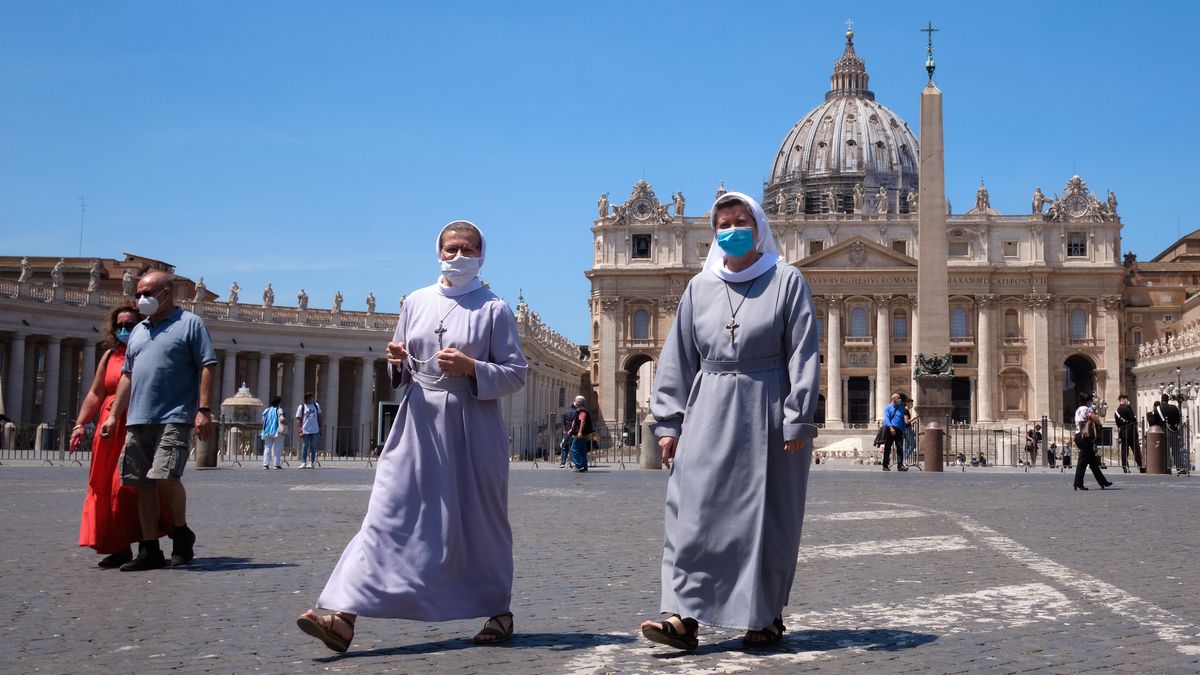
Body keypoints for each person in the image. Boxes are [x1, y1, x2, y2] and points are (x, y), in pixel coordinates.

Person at [297, 220, 528, 652]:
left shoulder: (494, 308)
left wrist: (473, 368)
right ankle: (344, 615)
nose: (457, 255)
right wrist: (395, 360)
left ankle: (499, 611)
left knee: (479, 519)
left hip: (472, 423)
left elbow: (515, 374)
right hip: (418, 420)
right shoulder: (416, 301)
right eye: (450, 248)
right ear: (438, 252)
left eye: (467, 248)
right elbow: (401, 365)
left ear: (481, 254)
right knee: (387, 511)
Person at [638, 192, 820, 650]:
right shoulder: (699, 287)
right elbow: (677, 358)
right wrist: (669, 423)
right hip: (708, 407)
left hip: (769, 408)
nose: (732, 230)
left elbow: (803, 351)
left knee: (766, 516)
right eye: (724, 224)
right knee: (692, 514)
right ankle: (683, 617)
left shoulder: (786, 279)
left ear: (758, 227)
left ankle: (765, 614)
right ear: (713, 232)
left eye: (741, 221)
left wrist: (798, 419)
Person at [99, 271, 217, 570]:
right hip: (138, 418)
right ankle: (149, 548)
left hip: (175, 415)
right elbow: (127, 375)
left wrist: (203, 409)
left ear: (167, 292)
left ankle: (180, 532)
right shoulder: (138, 330)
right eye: (138, 294)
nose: (141, 299)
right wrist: (114, 415)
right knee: (141, 484)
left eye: (146, 293)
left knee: (165, 476)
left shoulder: (190, 324)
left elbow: (207, 365)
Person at [70, 306, 171, 568]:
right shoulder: (108, 356)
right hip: (108, 426)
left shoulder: (149, 351)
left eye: (129, 325)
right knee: (102, 486)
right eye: (119, 326)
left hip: (136, 420)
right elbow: (95, 393)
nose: (124, 330)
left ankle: (147, 544)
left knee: (126, 486)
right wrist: (80, 425)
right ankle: (118, 546)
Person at [1073, 392, 1113, 491]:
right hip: (1085, 437)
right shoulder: (1087, 409)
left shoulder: (1078, 410)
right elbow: (1095, 419)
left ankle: (1103, 482)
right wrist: (1098, 421)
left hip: (1078, 435)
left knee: (1093, 462)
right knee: (1082, 462)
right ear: (1088, 401)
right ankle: (1078, 483)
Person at [1113, 393, 1144, 473]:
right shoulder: (1128, 408)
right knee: (1136, 450)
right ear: (1123, 399)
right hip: (1131, 432)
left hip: (1123, 432)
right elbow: (1133, 420)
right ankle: (1141, 466)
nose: (1127, 401)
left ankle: (1125, 467)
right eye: (1126, 399)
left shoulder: (1116, 411)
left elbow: (1118, 424)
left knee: (1124, 451)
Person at [1159, 394, 1187, 476]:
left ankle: (1167, 468)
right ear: (1168, 400)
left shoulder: (1158, 409)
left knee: (1165, 452)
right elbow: (1178, 419)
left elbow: (1156, 421)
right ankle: (1180, 468)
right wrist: (1174, 426)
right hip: (1173, 432)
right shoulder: (1174, 407)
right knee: (1176, 451)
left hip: (1163, 433)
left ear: (1161, 400)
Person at [881, 393, 908, 471]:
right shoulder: (888, 408)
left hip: (899, 430)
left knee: (900, 447)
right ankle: (885, 465)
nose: (900, 400)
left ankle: (900, 465)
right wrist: (890, 427)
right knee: (888, 448)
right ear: (894, 399)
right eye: (898, 398)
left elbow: (902, 420)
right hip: (890, 429)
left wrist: (904, 430)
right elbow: (886, 418)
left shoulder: (901, 408)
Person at [567, 396, 593, 472]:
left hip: (579, 434)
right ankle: (584, 466)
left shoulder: (582, 411)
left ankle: (579, 465)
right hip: (583, 434)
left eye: (575, 401)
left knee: (574, 449)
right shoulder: (581, 410)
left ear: (579, 402)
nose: (574, 402)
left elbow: (582, 421)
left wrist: (580, 432)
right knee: (582, 450)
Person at [296, 393, 321, 469]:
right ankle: (303, 462)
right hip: (305, 429)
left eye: (312, 398)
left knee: (313, 446)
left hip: (314, 429)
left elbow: (320, 417)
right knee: (305, 446)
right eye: (310, 398)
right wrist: (300, 430)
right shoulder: (302, 407)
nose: (312, 399)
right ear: (306, 399)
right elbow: (298, 419)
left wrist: (321, 428)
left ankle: (312, 462)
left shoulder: (316, 405)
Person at [261, 396, 286, 470]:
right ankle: (276, 464)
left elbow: (263, 421)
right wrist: (285, 423)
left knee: (267, 448)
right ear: (279, 403)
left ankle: (265, 464)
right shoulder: (279, 410)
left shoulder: (267, 410)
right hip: (276, 431)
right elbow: (282, 419)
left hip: (267, 431)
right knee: (277, 448)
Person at [558, 399, 578, 468]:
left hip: (567, 432)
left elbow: (563, 423)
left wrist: (565, 430)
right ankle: (572, 462)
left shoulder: (566, 412)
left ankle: (563, 462)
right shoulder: (576, 412)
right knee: (573, 447)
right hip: (574, 432)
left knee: (565, 447)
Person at [902, 395, 919, 466]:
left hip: (906, 429)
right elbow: (906, 422)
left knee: (906, 445)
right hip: (907, 429)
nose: (911, 405)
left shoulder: (905, 410)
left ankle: (903, 460)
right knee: (912, 444)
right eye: (910, 403)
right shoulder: (905, 411)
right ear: (907, 403)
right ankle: (904, 459)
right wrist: (914, 418)